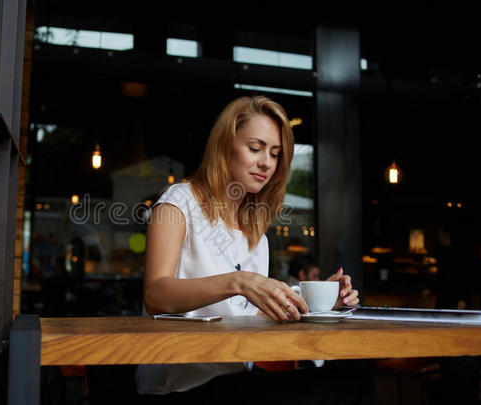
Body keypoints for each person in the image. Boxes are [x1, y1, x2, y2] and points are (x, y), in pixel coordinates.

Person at [135, 96, 366, 404]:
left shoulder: (256, 234)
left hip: (234, 380)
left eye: (274, 153)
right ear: (224, 146)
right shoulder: (178, 201)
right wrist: (239, 282)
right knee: (344, 389)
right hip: (180, 387)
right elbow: (155, 295)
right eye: (255, 148)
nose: (266, 163)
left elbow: (252, 315)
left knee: (353, 377)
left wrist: (318, 299)